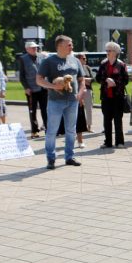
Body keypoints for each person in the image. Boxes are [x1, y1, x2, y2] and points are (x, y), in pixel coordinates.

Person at [37, 35, 85, 169]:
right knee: (52, 131)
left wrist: (80, 93)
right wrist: (53, 87)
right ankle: (51, 158)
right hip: (55, 102)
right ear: (59, 46)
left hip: (72, 101)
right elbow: (39, 80)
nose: (72, 47)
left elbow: (81, 80)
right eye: (69, 44)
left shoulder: (75, 61)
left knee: (71, 130)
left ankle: (69, 157)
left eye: (71, 44)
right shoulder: (49, 61)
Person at [95, 42, 129, 149]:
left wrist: (115, 82)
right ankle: (107, 142)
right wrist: (105, 80)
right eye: (107, 50)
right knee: (107, 120)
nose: (107, 52)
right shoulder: (103, 64)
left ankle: (120, 142)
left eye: (109, 50)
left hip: (118, 96)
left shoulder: (121, 65)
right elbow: (97, 78)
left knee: (118, 120)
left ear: (115, 52)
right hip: (106, 96)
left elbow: (126, 80)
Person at [18, 41, 47, 138]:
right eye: (32, 47)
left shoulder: (42, 57)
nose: (35, 49)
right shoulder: (23, 59)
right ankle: (34, 131)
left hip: (43, 88)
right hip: (31, 89)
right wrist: (26, 87)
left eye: (35, 47)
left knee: (45, 110)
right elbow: (22, 76)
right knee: (32, 111)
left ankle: (48, 128)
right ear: (27, 49)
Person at [77, 52, 95, 132]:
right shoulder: (75, 67)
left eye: (85, 58)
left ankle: (89, 126)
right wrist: (85, 80)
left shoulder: (87, 67)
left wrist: (83, 79)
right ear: (78, 59)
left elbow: (93, 79)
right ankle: (78, 127)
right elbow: (75, 79)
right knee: (77, 109)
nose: (85, 60)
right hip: (78, 90)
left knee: (89, 108)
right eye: (83, 58)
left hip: (88, 90)